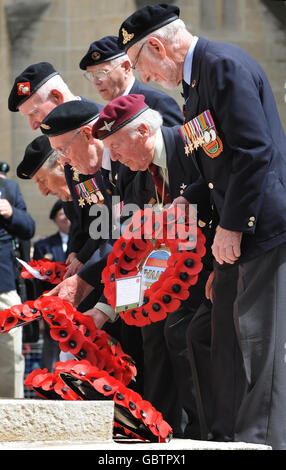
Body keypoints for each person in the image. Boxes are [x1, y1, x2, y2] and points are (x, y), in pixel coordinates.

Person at [117, 4, 286, 449]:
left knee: (258, 343)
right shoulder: (194, 87)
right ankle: (236, 436)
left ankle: (262, 441)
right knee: (227, 338)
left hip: (259, 227)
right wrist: (183, 203)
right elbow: (212, 169)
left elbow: (254, 152)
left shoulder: (223, 66)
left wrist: (232, 226)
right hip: (234, 235)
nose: (146, 77)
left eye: (140, 66)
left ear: (157, 45)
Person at [92, 93, 212, 438]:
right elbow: (130, 254)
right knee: (153, 339)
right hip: (159, 288)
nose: (112, 158)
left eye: (115, 147)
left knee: (184, 338)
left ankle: (203, 434)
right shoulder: (140, 175)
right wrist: (106, 308)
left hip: (208, 274)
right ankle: (158, 432)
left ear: (142, 131)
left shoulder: (192, 146)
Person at [0, 166, 35, 397]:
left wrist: (11, 212)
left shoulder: (9, 189)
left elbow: (29, 228)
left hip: (3, 285)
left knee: (10, 349)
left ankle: (10, 411)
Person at [32, 199, 70, 371]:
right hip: (51, 308)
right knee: (52, 346)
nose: (66, 218)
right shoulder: (43, 246)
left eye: (68, 213)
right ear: (54, 219)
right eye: (61, 213)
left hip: (79, 304)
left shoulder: (85, 242)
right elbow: (37, 282)